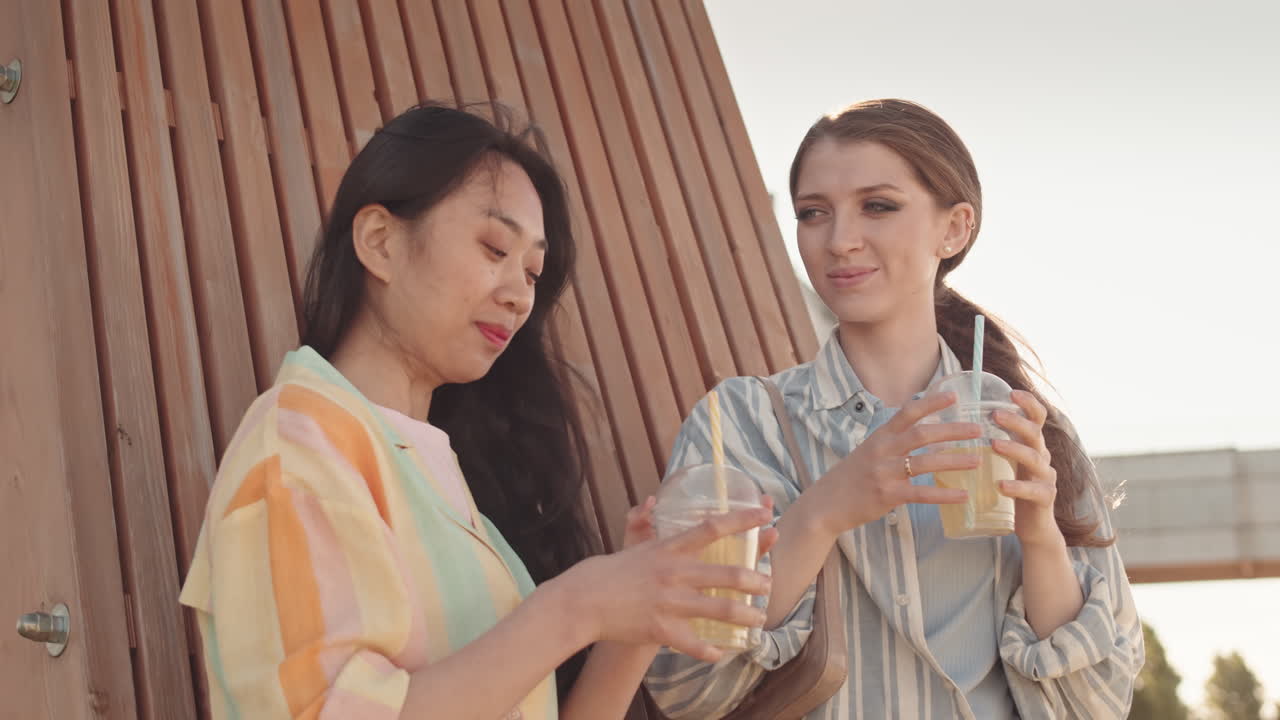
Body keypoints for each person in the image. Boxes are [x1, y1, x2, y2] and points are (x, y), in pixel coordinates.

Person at [178, 102, 774, 720]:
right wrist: (576, 605)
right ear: (380, 243)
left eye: (533, 271)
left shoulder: (438, 476)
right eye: (495, 248)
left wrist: (636, 614)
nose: (520, 295)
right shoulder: (296, 450)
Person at [644, 99, 1143, 719]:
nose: (840, 240)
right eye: (812, 213)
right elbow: (683, 685)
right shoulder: (742, 422)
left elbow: (1098, 705)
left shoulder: (1027, 427)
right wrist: (827, 508)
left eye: (877, 206)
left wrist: (1039, 534)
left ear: (954, 229)